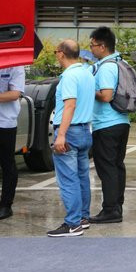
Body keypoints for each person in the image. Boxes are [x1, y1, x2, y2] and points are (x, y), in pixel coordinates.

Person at [48, 39, 95, 237]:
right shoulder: (87, 73)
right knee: (82, 177)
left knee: (68, 179)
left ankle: (73, 223)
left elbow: (70, 105)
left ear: (61, 53)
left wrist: (61, 135)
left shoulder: (68, 76)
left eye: (56, 52)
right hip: (85, 131)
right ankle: (83, 218)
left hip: (69, 132)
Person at [89, 26, 130, 224]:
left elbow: (106, 96)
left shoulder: (106, 67)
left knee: (107, 168)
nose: (91, 49)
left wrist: (88, 89)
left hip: (106, 124)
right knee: (117, 166)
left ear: (103, 46)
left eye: (92, 45)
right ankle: (117, 206)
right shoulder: (121, 62)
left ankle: (110, 210)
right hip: (122, 121)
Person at [0, 65, 25, 221]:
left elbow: (15, 94)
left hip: (2, 121)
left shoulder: (16, 67)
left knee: (7, 164)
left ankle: (5, 206)